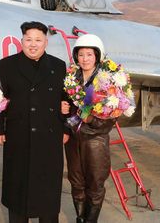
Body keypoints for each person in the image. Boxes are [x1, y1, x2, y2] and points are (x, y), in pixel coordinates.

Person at [0, 21, 69, 223]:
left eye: (38, 40)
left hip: (49, 136)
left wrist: (66, 126)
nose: (33, 44)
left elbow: (67, 99)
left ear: (46, 42)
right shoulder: (7, 64)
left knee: (48, 191)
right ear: (21, 41)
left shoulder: (58, 66)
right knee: (18, 187)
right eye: (28, 40)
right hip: (19, 134)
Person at [61, 34, 116, 223]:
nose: (85, 59)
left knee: (95, 184)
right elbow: (65, 105)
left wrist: (91, 118)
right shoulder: (71, 79)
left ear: (97, 56)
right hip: (74, 140)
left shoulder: (106, 82)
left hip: (95, 140)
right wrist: (64, 108)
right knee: (76, 182)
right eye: (81, 54)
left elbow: (111, 118)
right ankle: (80, 218)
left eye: (89, 55)